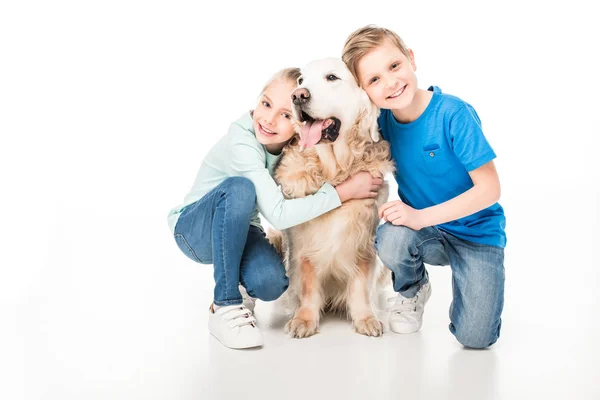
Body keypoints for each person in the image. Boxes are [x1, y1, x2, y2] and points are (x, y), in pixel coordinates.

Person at [167, 67, 383, 349]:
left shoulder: (294, 144)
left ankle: (243, 285)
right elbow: (278, 214)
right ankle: (226, 304)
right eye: (266, 104)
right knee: (239, 188)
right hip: (194, 230)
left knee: (271, 282)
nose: (269, 119)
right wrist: (343, 192)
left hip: (243, 231)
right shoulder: (241, 142)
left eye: (285, 114)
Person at [342, 25, 506, 348]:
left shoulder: (453, 114)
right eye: (374, 80)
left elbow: (490, 189)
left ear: (411, 60)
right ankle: (412, 288)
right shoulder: (382, 123)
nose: (390, 83)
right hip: (423, 234)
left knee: (475, 339)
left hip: (476, 234)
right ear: (363, 92)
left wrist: (419, 217)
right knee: (390, 235)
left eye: (394, 66)